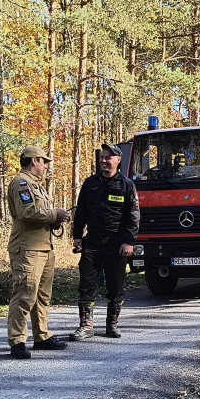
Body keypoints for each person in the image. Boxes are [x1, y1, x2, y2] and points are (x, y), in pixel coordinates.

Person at [6, 146, 72, 359]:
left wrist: (56, 219)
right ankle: (17, 340)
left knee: (42, 297)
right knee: (25, 294)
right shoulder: (21, 183)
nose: (46, 166)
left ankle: (41, 336)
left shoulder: (38, 186)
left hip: (44, 248)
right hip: (27, 250)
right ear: (34, 161)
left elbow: (40, 215)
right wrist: (55, 214)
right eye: (44, 162)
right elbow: (27, 211)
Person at [70, 143, 140, 339]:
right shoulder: (89, 184)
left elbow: (133, 217)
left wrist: (129, 242)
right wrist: (77, 236)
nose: (104, 161)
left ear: (118, 160)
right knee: (86, 284)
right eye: (102, 157)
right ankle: (86, 326)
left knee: (115, 286)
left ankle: (112, 325)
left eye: (108, 157)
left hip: (117, 244)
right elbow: (81, 211)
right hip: (92, 242)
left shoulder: (126, 185)